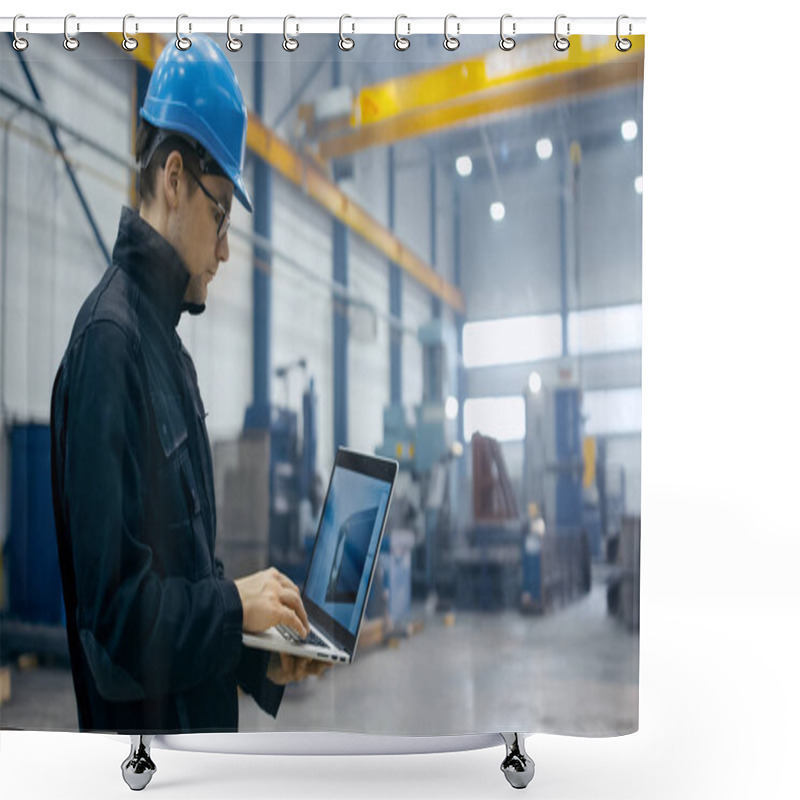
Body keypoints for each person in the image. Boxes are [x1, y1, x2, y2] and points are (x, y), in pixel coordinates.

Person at [50, 36, 326, 734]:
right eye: (222, 215)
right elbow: (117, 619)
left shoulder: (166, 349)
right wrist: (236, 607)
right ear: (174, 179)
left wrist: (258, 654)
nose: (227, 247)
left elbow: (185, 581)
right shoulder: (109, 346)